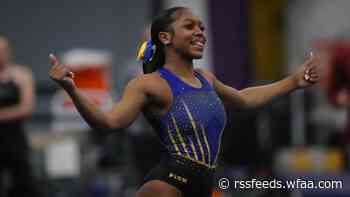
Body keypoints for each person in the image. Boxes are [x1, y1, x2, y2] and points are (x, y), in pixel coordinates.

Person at [49, 7, 320, 197]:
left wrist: (293, 82)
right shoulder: (149, 84)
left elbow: (245, 99)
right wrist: (72, 90)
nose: (200, 32)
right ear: (165, 38)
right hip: (167, 185)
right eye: (189, 26)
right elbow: (108, 123)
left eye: (202, 27)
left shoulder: (206, 78)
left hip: (205, 184)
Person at [0, 34, 43, 197]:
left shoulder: (21, 75)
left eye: (2, 50)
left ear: (8, 52)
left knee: (24, 183)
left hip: (14, 138)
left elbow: (26, 108)